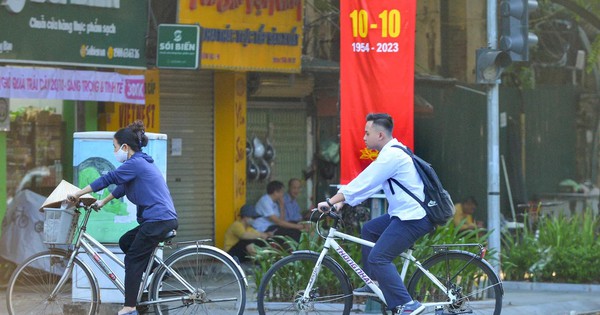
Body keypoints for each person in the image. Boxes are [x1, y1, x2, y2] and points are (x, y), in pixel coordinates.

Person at [317, 113, 433, 315]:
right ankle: (374, 283)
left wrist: (330, 201)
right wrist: (342, 202)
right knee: (370, 229)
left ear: (380, 135)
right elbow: (370, 186)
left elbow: (366, 180)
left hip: (413, 218)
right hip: (403, 214)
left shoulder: (392, 156)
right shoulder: (390, 153)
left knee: (379, 257)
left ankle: (407, 304)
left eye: (366, 133)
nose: (363, 137)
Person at [68, 120, 178, 315]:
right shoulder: (139, 162)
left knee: (133, 260)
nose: (114, 151)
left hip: (157, 219)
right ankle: (160, 271)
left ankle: (129, 307)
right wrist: (103, 202)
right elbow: (121, 187)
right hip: (159, 219)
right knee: (126, 241)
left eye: (115, 147)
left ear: (125, 147)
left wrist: (78, 193)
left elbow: (108, 179)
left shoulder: (135, 163)